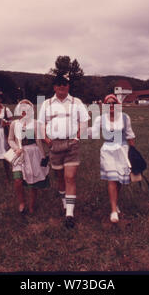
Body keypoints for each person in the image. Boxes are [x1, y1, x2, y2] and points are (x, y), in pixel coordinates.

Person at [37, 75, 90, 228]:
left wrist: (77, 138)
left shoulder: (76, 102)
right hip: (54, 145)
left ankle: (69, 215)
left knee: (70, 177)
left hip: (71, 144)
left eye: (65, 84)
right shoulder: (46, 103)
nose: (62, 87)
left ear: (68, 86)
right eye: (59, 84)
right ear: (54, 87)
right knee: (60, 177)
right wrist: (46, 140)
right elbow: (41, 124)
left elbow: (84, 121)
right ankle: (65, 204)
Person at [91, 94, 136, 223]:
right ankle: (113, 211)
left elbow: (130, 135)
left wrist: (133, 154)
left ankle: (114, 202)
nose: (111, 105)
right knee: (112, 179)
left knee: (119, 180)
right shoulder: (100, 119)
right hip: (108, 151)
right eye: (108, 103)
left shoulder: (125, 118)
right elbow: (92, 133)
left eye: (114, 103)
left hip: (122, 150)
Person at [8, 99, 49, 214]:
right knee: (17, 180)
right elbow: (10, 139)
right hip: (19, 154)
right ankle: (21, 202)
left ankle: (31, 206)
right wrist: (16, 148)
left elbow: (42, 138)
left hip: (34, 154)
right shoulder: (14, 124)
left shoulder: (36, 123)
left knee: (33, 182)